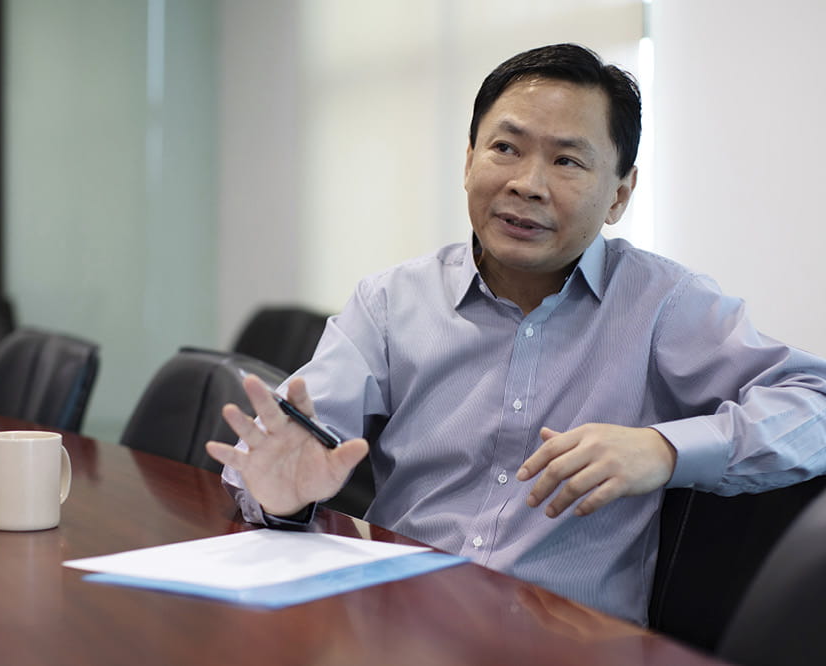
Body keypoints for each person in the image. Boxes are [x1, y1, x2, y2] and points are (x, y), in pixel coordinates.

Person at [205, 43, 826, 625]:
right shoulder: (393, 300)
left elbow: (813, 405)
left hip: (560, 638)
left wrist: (663, 450)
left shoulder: (665, 303)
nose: (527, 183)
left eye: (567, 160)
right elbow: (289, 449)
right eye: (506, 148)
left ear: (619, 194)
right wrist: (283, 499)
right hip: (396, 621)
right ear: (469, 158)